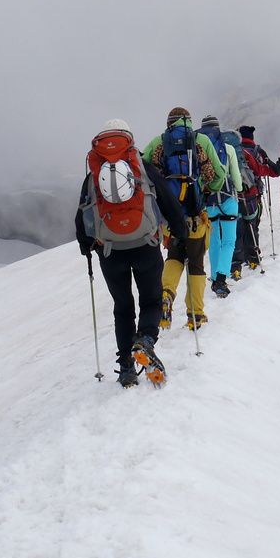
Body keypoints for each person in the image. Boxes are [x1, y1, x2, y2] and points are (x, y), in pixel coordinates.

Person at [75, 118, 189, 387]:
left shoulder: (94, 173)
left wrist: (86, 247)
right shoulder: (140, 166)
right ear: (130, 140)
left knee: (122, 307)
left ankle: (126, 367)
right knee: (150, 301)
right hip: (145, 245)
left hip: (110, 251)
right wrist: (180, 231)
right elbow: (167, 199)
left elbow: (82, 213)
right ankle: (146, 341)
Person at [140, 107, 225, 332]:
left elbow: (142, 170)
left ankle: (166, 294)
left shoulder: (159, 141)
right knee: (196, 263)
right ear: (188, 121)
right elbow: (219, 174)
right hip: (196, 215)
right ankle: (195, 314)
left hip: (170, 217)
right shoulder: (202, 141)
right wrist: (206, 191)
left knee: (174, 255)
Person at [197, 115, 242, 297]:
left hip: (209, 203)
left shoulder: (199, 148)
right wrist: (239, 190)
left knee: (213, 241)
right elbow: (235, 175)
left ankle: (214, 276)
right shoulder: (228, 148)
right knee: (229, 241)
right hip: (228, 198)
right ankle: (221, 279)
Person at [233, 124, 280, 273]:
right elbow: (265, 171)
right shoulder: (257, 151)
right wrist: (277, 167)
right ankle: (253, 258)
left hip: (234, 196)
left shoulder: (233, 151)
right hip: (253, 196)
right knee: (252, 226)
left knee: (237, 229)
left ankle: (235, 264)